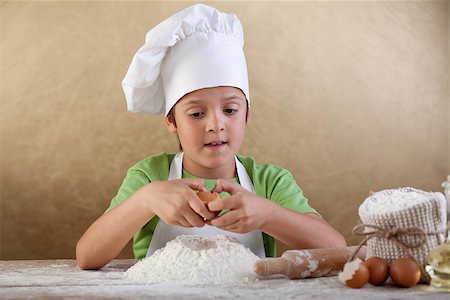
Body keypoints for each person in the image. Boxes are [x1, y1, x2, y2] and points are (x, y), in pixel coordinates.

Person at [76, 3, 346, 270]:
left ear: (247, 116)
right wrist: (146, 200)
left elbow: (337, 250)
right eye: (196, 114)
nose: (216, 125)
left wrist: (268, 214)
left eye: (230, 110)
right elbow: (88, 257)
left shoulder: (270, 182)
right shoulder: (149, 175)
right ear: (171, 121)